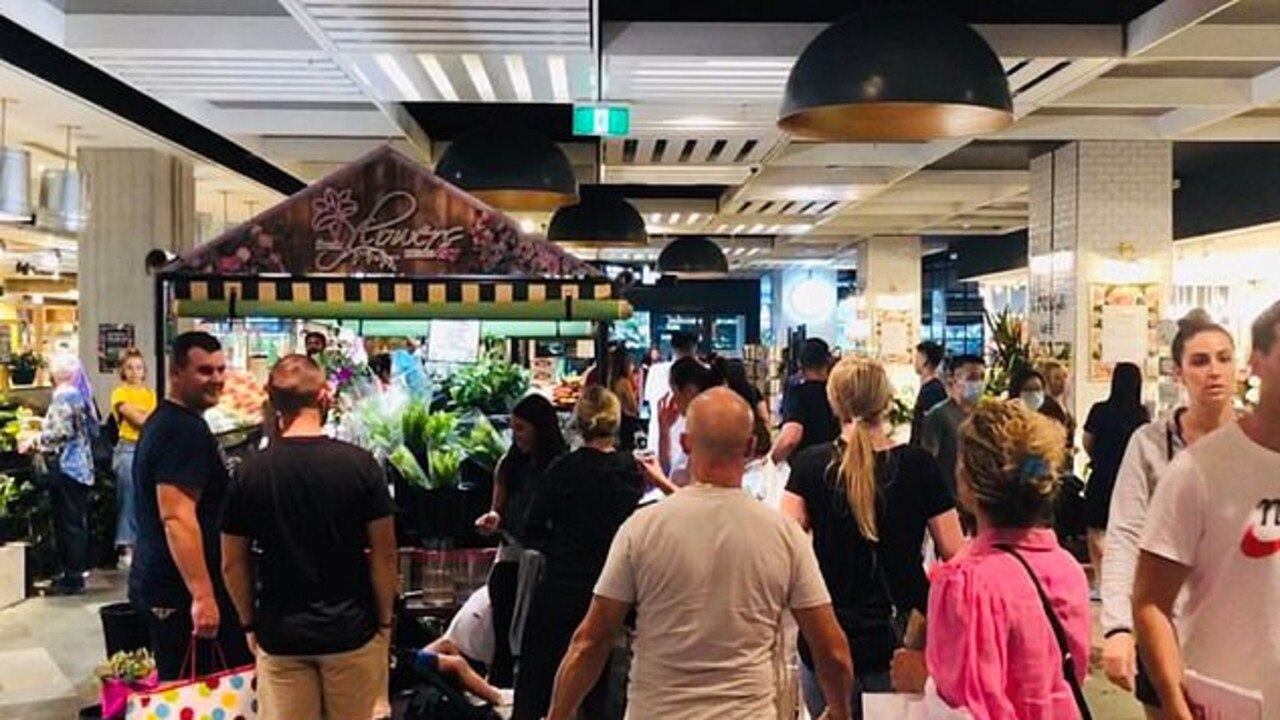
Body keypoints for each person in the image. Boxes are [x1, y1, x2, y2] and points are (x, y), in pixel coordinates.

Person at [543, 388, 855, 720]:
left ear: (685, 443)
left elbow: (590, 642)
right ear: (751, 447)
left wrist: (557, 714)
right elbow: (832, 652)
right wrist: (839, 711)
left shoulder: (642, 528)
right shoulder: (783, 535)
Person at [783, 357, 965, 719]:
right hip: (901, 642)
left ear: (834, 402)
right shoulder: (918, 466)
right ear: (886, 401)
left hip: (826, 640)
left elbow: (782, 548)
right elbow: (956, 555)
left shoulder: (809, 466)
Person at [221, 354, 397, 720]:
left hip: (281, 634)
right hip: (351, 631)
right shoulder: (361, 465)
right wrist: (384, 623)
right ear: (324, 397)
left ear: (272, 399)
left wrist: (248, 623)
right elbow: (384, 555)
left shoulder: (250, 473)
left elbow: (232, 561)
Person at [1135, 300, 1280, 720]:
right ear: (1256, 363)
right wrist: (1174, 700)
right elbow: (1150, 600)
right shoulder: (1199, 471)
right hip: (1228, 700)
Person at [1100, 311, 1237, 716]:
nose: (1214, 371)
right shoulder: (1149, 445)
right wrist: (1117, 627)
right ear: (1178, 373)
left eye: (1224, 358)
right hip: (1164, 626)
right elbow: (1125, 534)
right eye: (1200, 361)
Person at [926, 400, 1091, 719]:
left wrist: (921, 677)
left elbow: (959, 706)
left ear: (968, 484)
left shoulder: (964, 582)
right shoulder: (1068, 570)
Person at [512, 387, 644, 720]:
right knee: (598, 680)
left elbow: (531, 526)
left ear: (578, 422)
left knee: (539, 678)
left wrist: (556, 545)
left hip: (560, 585)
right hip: (610, 591)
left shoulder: (563, 469)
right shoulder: (629, 471)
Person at [130, 332, 253, 679]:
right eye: (204, 371)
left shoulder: (173, 422)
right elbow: (177, 517)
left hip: (167, 584)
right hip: (178, 592)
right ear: (175, 373)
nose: (216, 379)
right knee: (193, 692)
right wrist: (203, 596)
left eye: (220, 370)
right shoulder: (181, 430)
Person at [474, 394, 568, 687]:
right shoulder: (509, 465)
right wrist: (491, 520)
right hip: (511, 558)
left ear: (541, 428)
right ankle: (501, 692)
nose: (516, 436)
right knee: (503, 635)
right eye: (513, 429)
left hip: (549, 566)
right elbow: (497, 510)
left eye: (521, 428)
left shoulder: (561, 466)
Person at [30, 354, 98, 595]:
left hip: (68, 467)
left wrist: (35, 438)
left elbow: (60, 432)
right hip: (81, 468)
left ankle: (72, 576)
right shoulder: (78, 394)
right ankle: (76, 571)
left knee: (68, 523)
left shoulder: (64, 395)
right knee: (75, 521)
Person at [1081, 362, 1150, 598]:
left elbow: (1087, 441)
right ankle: (1121, 581)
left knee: (1095, 529)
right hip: (1129, 478)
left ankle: (1101, 580)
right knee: (1125, 528)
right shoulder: (1141, 414)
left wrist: (1098, 457)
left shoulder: (1099, 410)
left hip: (1102, 475)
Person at [110, 349, 157, 569]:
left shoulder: (150, 393)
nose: (134, 372)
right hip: (128, 449)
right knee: (128, 499)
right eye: (129, 367)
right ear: (122, 370)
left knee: (146, 499)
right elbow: (137, 419)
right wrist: (144, 414)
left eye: (138, 367)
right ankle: (125, 547)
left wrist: (144, 415)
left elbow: (154, 419)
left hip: (147, 448)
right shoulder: (120, 393)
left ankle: (142, 546)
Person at [651, 356, 723, 491]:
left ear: (689, 390)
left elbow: (692, 493)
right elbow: (668, 470)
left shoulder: (708, 428)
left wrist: (658, 479)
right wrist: (664, 430)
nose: (673, 401)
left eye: (674, 393)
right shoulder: (696, 424)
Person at [919, 354, 986, 497]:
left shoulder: (985, 415)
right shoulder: (938, 416)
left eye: (982, 377)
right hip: (949, 498)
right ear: (953, 380)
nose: (978, 383)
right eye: (972, 378)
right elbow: (927, 463)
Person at [770, 337, 839, 465]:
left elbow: (791, 437)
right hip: (838, 464)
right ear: (827, 361)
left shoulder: (797, 393)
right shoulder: (838, 392)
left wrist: (771, 460)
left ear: (799, 363)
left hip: (806, 466)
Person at [643, 331, 697, 456]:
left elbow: (648, 402)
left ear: (672, 348)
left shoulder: (655, 371)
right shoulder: (703, 372)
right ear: (694, 348)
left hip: (657, 443)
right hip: (689, 449)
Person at [723, 357, 773, 458]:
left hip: (731, 438)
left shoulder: (724, 394)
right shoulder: (753, 391)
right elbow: (764, 417)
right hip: (752, 437)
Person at [604, 345, 644, 452]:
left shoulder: (610, 380)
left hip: (617, 426)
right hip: (626, 428)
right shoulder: (624, 383)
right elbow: (634, 408)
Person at [911, 341, 948, 446]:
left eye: (917, 357)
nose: (914, 361)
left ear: (924, 359)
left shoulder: (932, 391)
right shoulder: (931, 388)